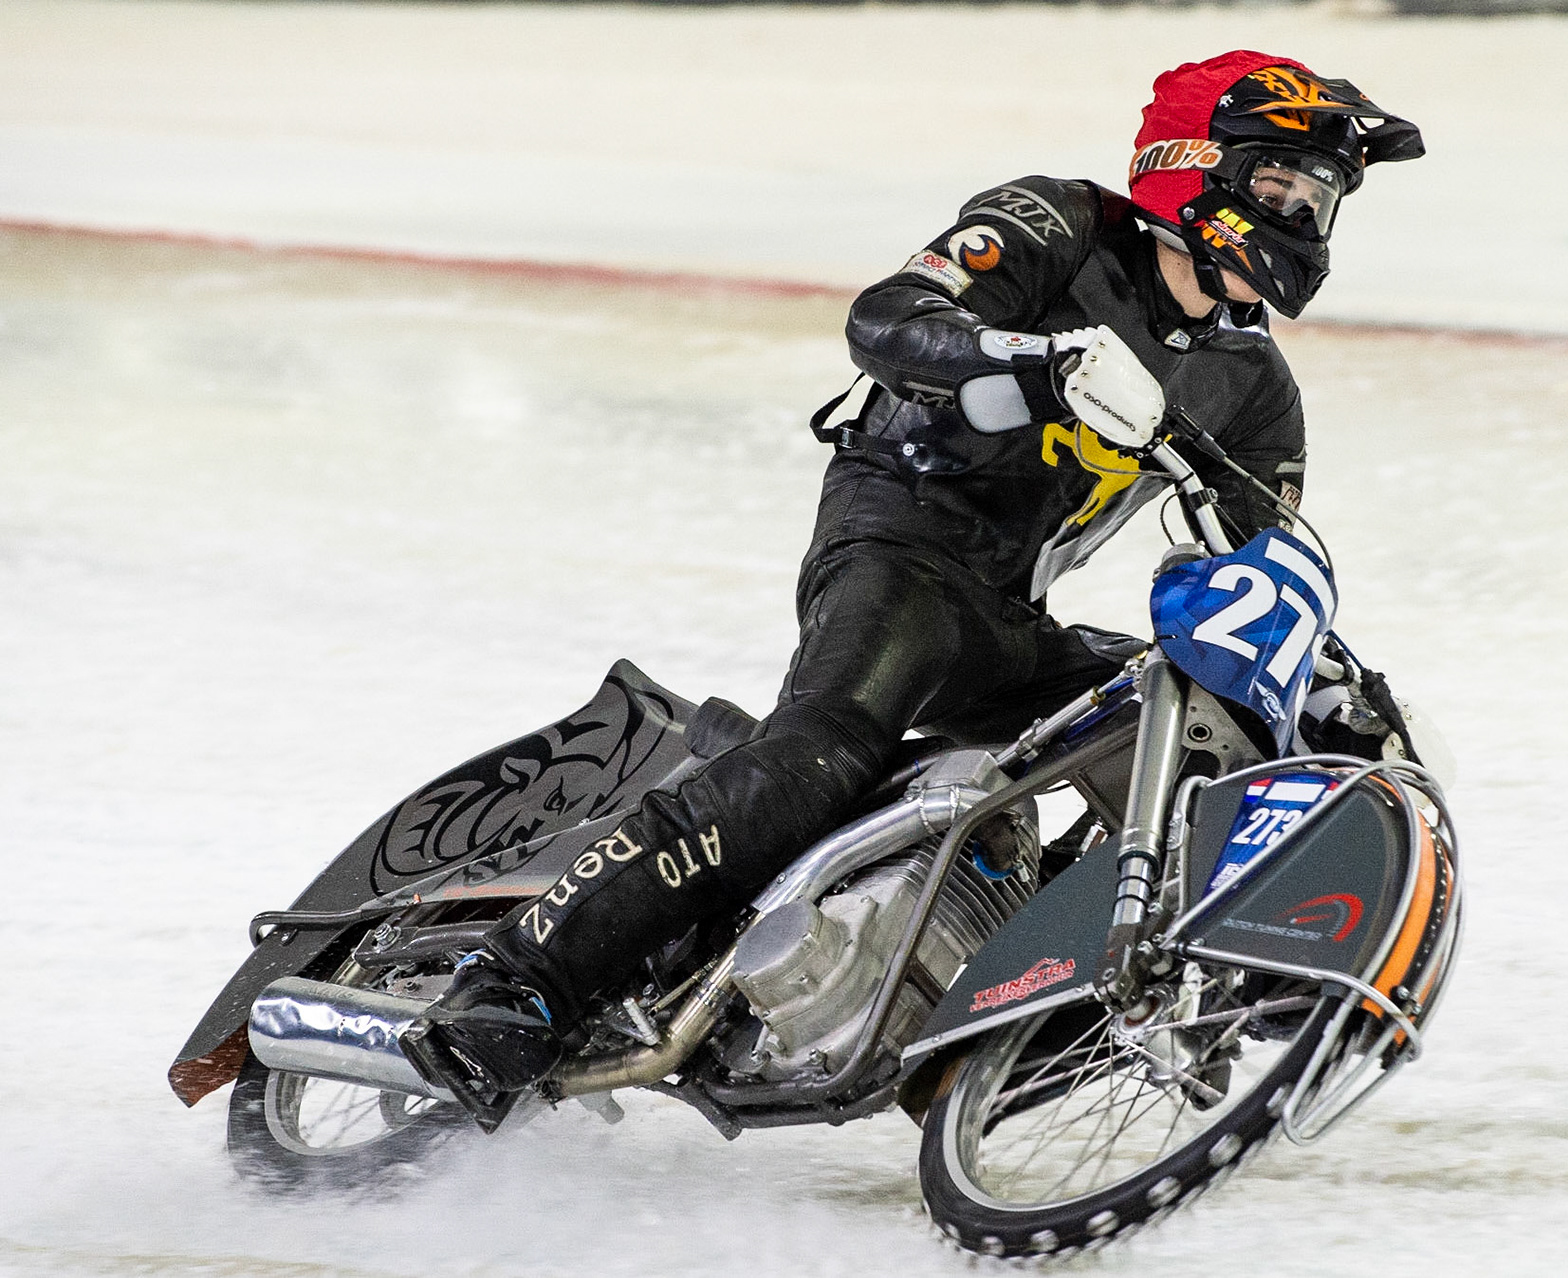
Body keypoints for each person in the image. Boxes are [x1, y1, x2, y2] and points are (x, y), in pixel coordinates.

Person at [400, 49, 1425, 1123]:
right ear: (1194, 164)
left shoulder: (1253, 388)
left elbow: (1255, 564)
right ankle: (517, 980)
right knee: (819, 758)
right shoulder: (1059, 226)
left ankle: (1070, 987)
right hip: (897, 541)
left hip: (1009, 615)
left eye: (1318, 199)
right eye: (1281, 187)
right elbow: (888, 318)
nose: (1300, 219)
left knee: (1196, 728)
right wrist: (1038, 363)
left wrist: (1327, 691)